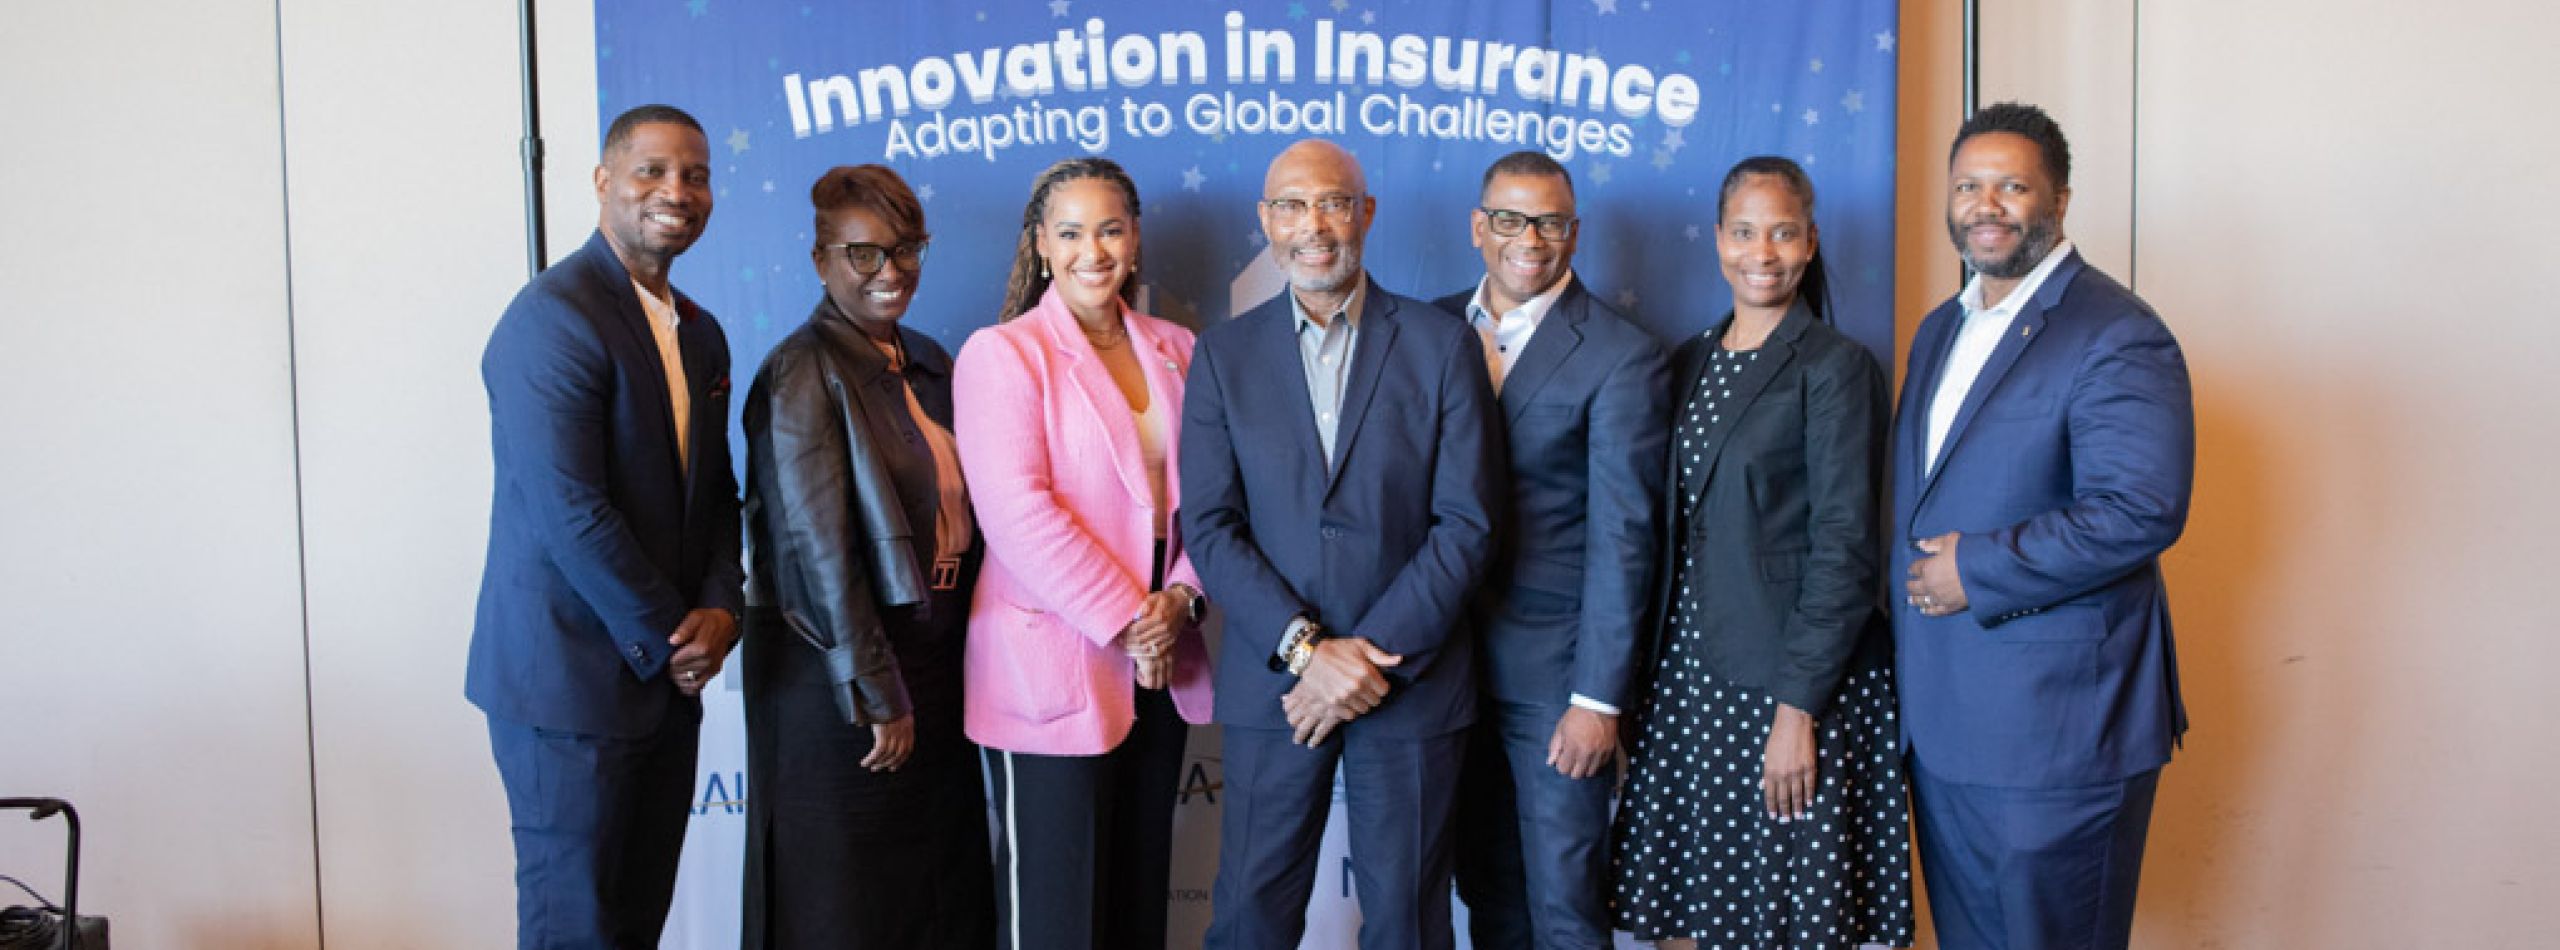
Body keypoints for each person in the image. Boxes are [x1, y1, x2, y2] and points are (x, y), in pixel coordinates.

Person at [1183, 138, 1502, 950]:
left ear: (1366, 213)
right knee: (1249, 921)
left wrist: (1364, 659)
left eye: (1332, 203)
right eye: (1291, 206)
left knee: (1408, 927)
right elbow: (1211, 527)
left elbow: (1467, 524)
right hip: (1277, 684)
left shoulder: (1441, 344)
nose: (1313, 226)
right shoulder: (1222, 356)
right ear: (1266, 220)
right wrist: (1307, 652)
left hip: (1412, 680)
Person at [1892, 103, 2194, 950]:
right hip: (1945, 727)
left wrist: (1978, 569)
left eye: (2011, 186)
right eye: (1968, 186)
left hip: (2058, 736)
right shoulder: (1940, 329)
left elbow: (2140, 509)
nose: (1985, 205)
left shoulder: (2117, 332)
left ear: (2058, 200)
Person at [1608, 156, 1912, 950]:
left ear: (1810, 242)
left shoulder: (1836, 366)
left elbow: (1846, 549)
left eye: (1782, 233)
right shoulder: (1690, 359)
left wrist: (1796, 710)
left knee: (1780, 922)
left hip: (1789, 682)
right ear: (1718, 240)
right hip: (1688, 679)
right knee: (1685, 916)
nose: (1762, 253)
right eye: (1744, 232)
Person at [468, 103, 741, 949]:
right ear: (601, 181)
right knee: (575, 929)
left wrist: (723, 609)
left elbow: (716, 494)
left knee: (631, 927)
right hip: (568, 686)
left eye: (695, 175)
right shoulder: (552, 317)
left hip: (663, 687)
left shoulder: (700, 332)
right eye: (652, 170)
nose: (676, 190)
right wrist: (675, 636)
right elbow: (569, 512)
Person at [952, 156, 1214, 950]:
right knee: (1056, 922)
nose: (1091, 251)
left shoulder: (1180, 348)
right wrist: (1135, 622)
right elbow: (1017, 514)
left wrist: (1181, 601)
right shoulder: (1004, 353)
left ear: (1134, 239)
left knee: (1138, 910)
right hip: (1053, 670)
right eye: (1070, 233)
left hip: (1163, 666)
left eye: (1109, 230)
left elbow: (1215, 497)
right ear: (1040, 243)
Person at [736, 164, 995, 949]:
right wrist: (873, 685)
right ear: (821, 260)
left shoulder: (931, 361)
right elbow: (812, 549)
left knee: (936, 893)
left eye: (907, 249)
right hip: (838, 671)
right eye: (864, 253)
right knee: (846, 902)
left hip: (934, 650)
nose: (891, 270)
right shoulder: (799, 370)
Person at [1430, 151, 1668, 950]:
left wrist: (1598, 699)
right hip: (1443, 670)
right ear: (1478, 226)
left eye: (1550, 222)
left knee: (1565, 906)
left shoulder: (1621, 354)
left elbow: (1625, 538)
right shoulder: (1429, 329)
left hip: (1554, 681)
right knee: (1485, 891)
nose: (1529, 239)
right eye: (1510, 219)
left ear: (1575, 232)